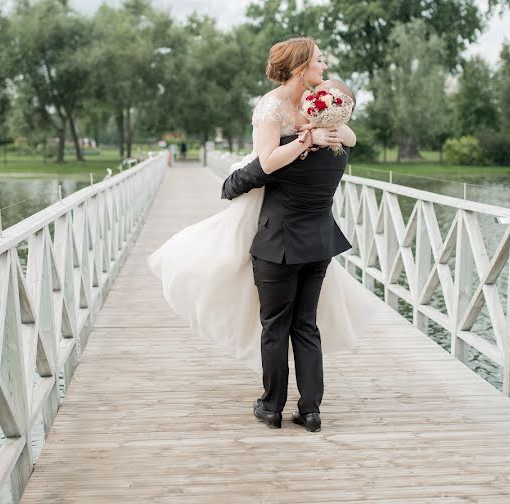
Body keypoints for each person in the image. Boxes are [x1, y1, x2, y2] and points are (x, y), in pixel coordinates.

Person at [147, 37, 377, 432]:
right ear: (301, 65)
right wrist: (312, 137)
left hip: (279, 240)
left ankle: (272, 407)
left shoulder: (319, 112)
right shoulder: (279, 110)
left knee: (276, 325)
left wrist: (321, 132)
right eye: (319, 61)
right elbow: (271, 157)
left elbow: (268, 164)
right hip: (319, 239)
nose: (324, 67)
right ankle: (311, 410)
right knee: (305, 325)